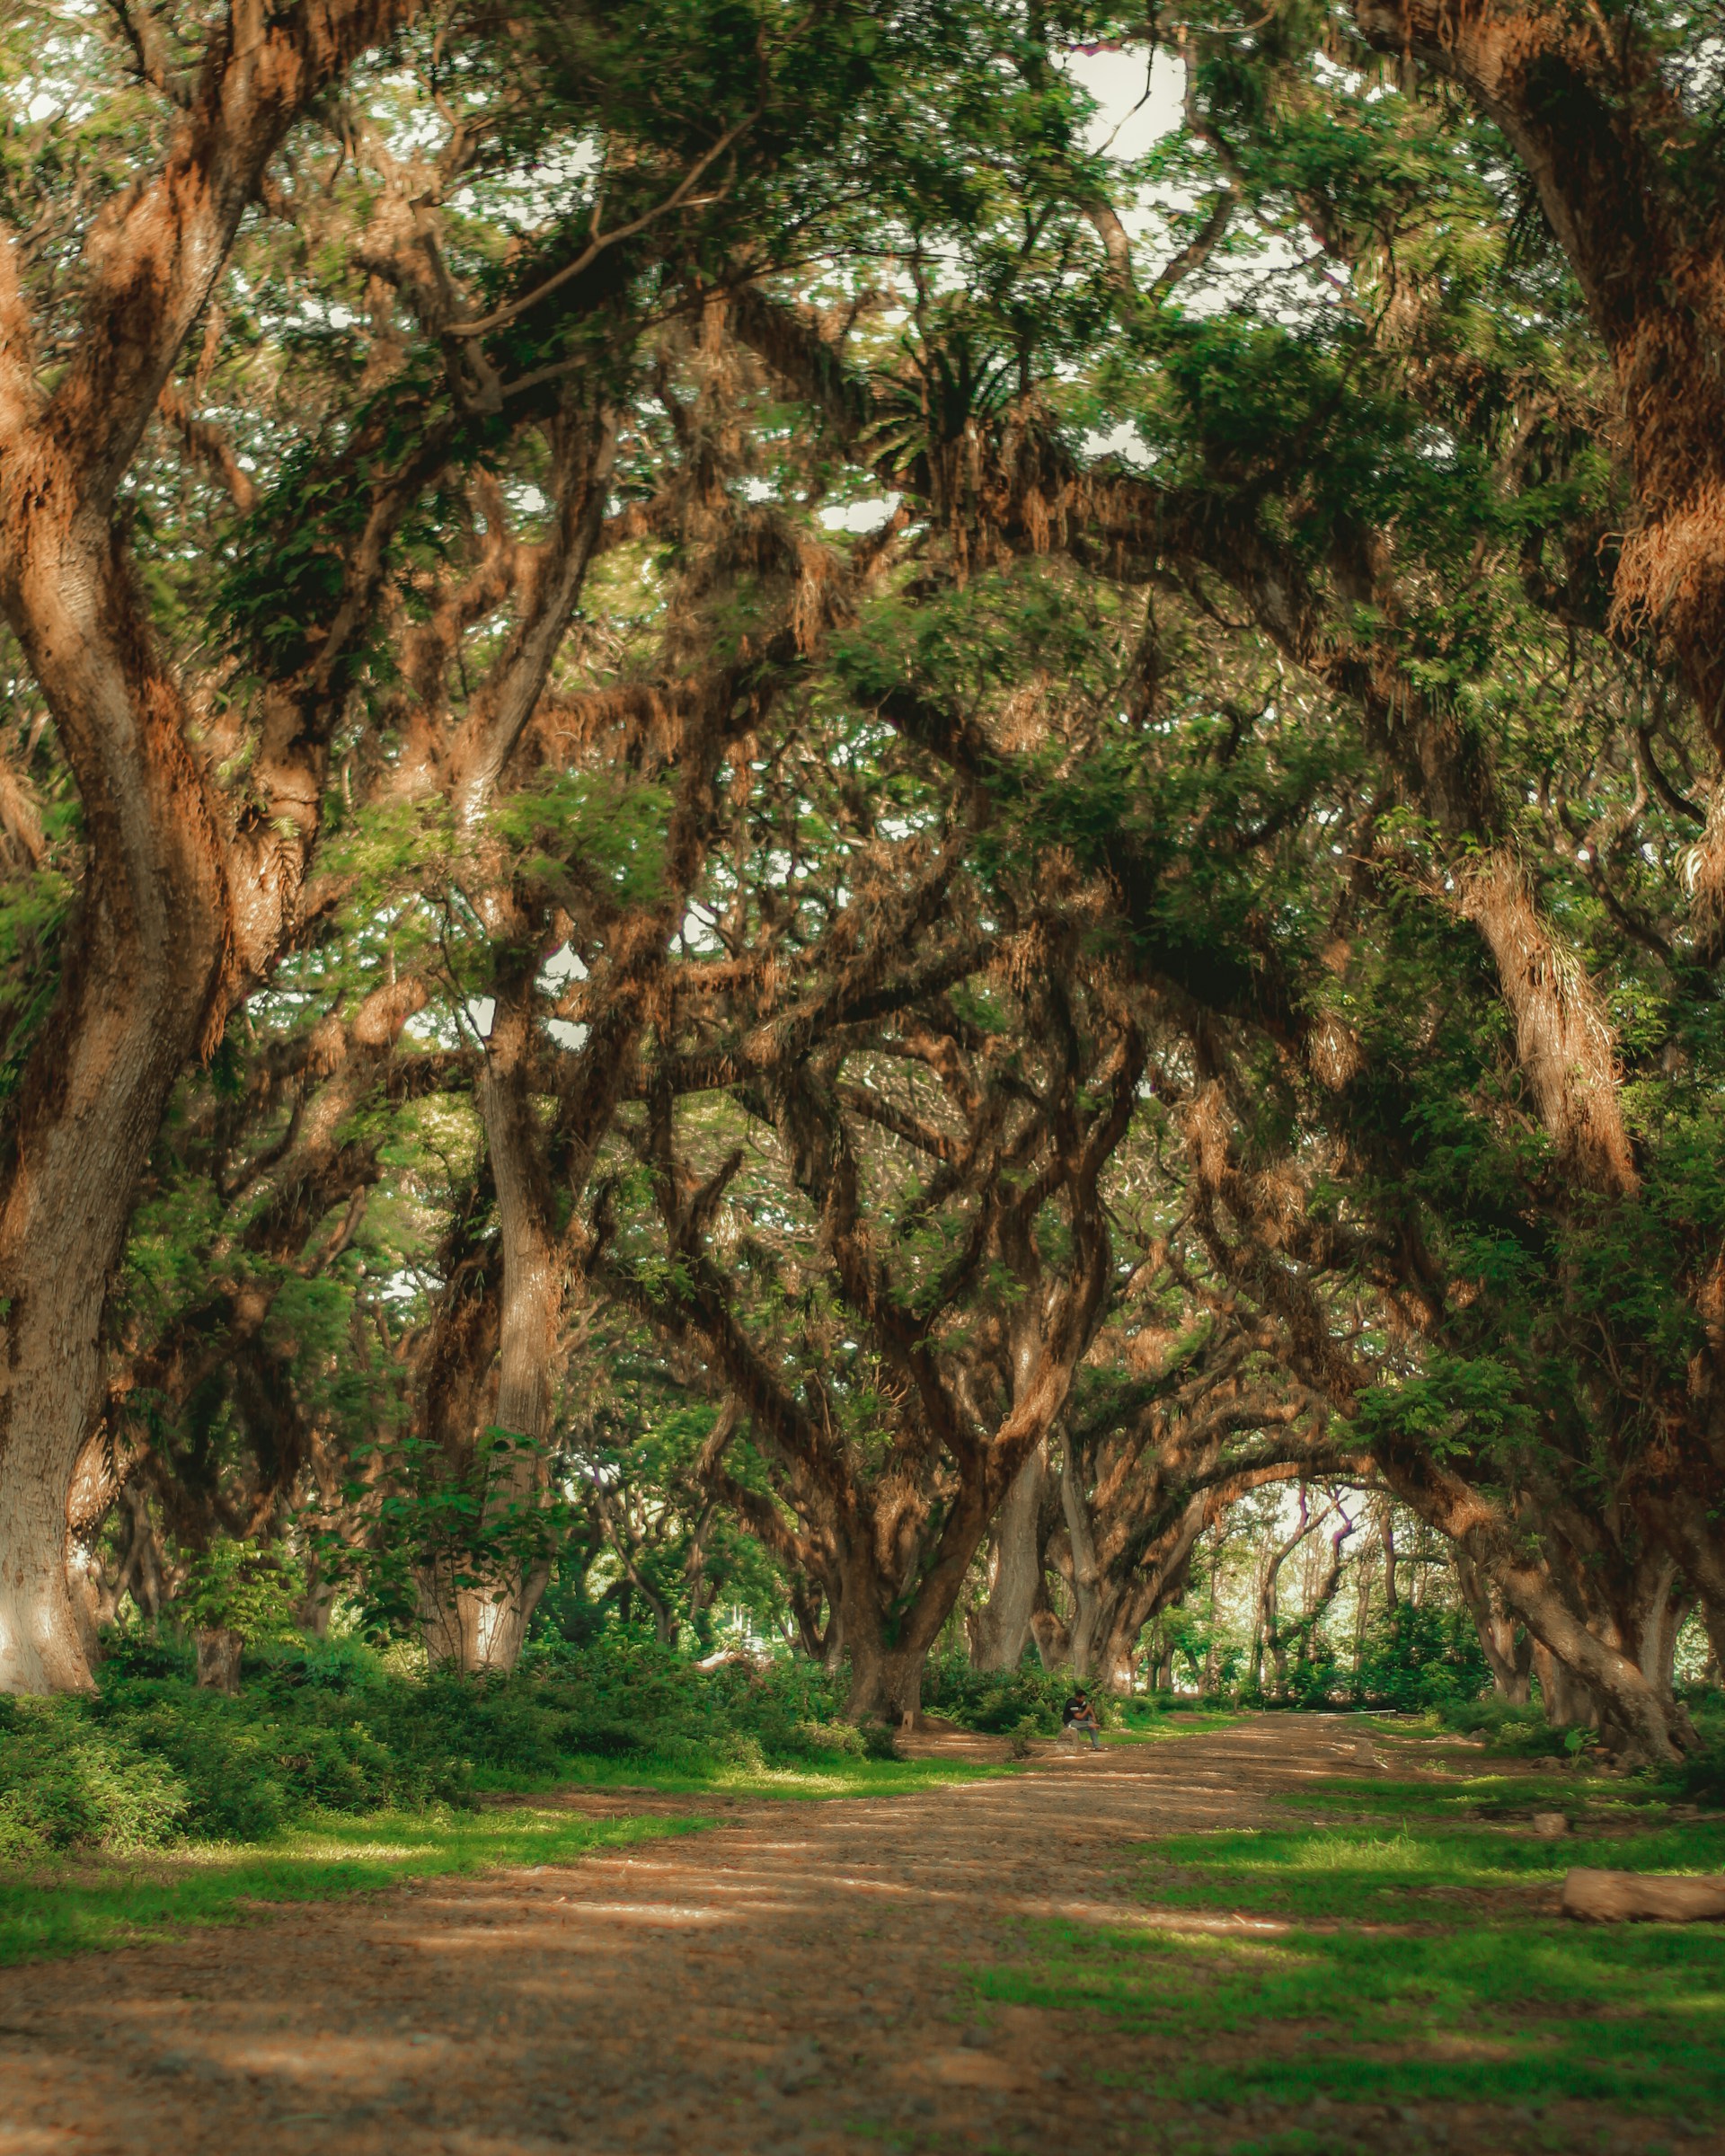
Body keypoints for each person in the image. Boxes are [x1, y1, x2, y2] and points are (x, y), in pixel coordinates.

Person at [1062, 1688, 1101, 1752]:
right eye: (1082, 1698)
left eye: (1084, 1698)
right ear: (1077, 1697)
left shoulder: (1081, 1702)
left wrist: (1093, 1717)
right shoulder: (1072, 1703)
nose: (1083, 1700)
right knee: (1090, 1725)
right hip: (1070, 1722)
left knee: (1091, 1726)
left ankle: (1097, 1746)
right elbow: (1079, 1717)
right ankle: (1089, 1724)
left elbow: (1089, 1708)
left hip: (1078, 1722)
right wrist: (1087, 1709)